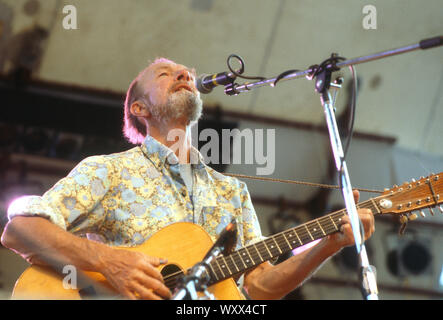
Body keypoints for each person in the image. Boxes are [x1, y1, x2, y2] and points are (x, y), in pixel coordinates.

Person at [1, 58, 375, 300]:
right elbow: (20, 230)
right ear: (139, 108)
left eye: (187, 74)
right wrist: (111, 262)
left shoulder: (232, 192)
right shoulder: (109, 171)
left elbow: (259, 286)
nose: (184, 75)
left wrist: (329, 244)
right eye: (166, 74)